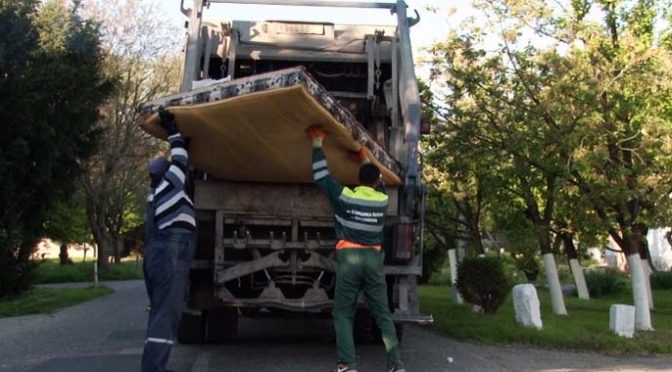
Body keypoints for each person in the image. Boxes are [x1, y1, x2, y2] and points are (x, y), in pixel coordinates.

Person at [305, 125, 405, 372]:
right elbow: (377, 178)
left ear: (359, 180)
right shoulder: (382, 201)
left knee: (342, 313)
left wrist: (317, 142)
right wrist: (365, 157)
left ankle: (347, 364)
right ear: (375, 182)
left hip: (350, 258)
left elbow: (321, 176)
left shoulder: (344, 197)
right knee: (382, 314)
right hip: (373, 260)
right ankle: (395, 364)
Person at [142, 109, 197, 372]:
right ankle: (155, 369)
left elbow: (180, 160)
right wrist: (173, 131)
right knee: (166, 315)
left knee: (159, 312)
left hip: (157, 254)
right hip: (169, 256)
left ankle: (153, 366)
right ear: (166, 172)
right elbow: (181, 159)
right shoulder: (171, 184)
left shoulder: (155, 194)